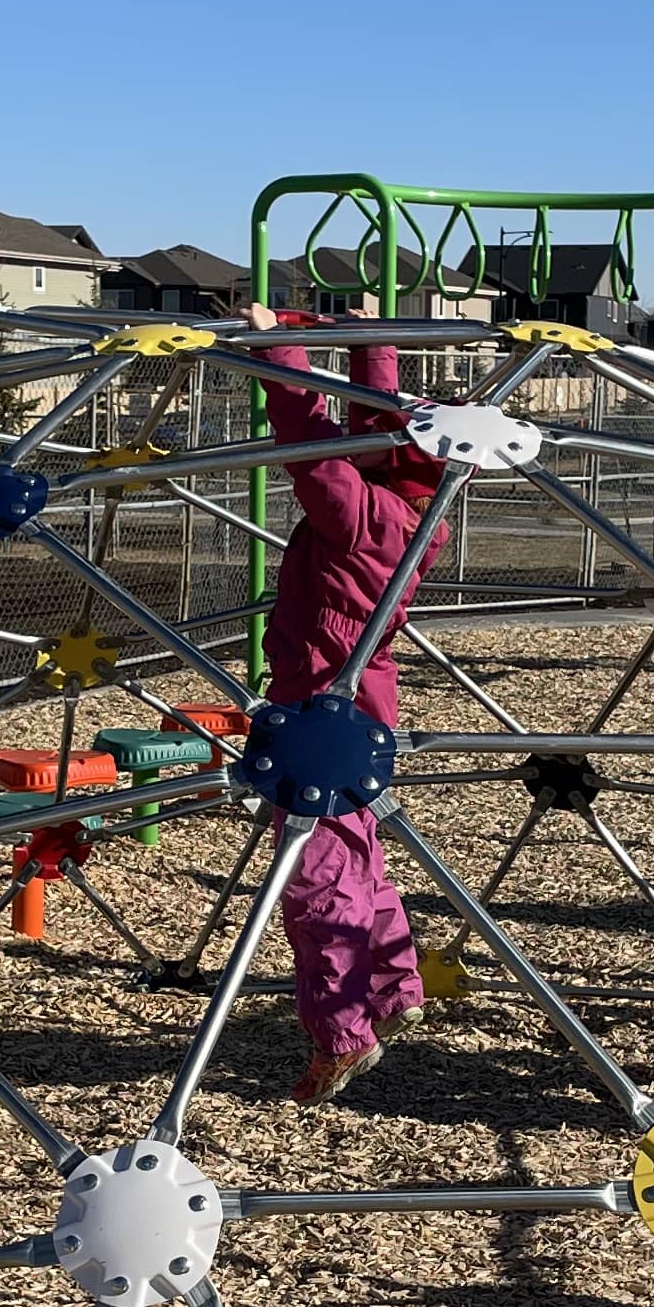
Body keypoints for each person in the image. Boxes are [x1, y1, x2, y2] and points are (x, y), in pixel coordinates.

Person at [253, 322, 449, 1099]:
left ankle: (341, 1033)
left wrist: (277, 353)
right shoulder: (414, 509)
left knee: (317, 880)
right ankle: (397, 988)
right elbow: (378, 420)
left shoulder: (361, 515)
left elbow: (307, 435)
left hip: (320, 710)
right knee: (358, 858)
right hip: (359, 703)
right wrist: (374, 339)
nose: (364, 428)